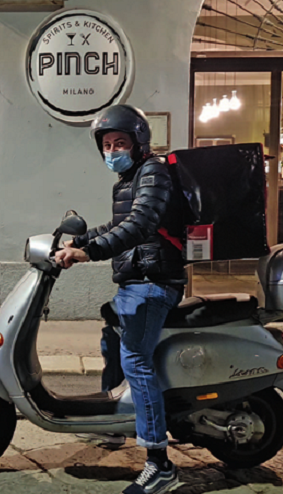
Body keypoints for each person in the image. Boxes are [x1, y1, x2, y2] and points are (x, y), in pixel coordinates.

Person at [55, 104, 186, 494]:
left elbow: (141, 223)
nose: (112, 151)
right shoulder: (129, 179)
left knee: (136, 361)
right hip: (136, 282)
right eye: (107, 145)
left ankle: (159, 463)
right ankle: (115, 425)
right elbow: (118, 224)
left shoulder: (153, 172)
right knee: (110, 340)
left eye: (120, 143)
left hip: (154, 282)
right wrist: (78, 240)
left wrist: (89, 252)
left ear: (138, 142)